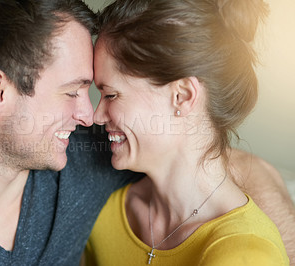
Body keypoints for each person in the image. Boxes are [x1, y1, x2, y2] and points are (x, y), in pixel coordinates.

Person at [0, 0, 293, 265]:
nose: (89, 116)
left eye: (104, 93)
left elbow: (222, 163)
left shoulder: (83, 152)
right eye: (72, 92)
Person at [85, 0, 291, 265]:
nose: (96, 116)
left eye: (111, 95)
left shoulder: (248, 252)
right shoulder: (103, 213)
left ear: (182, 96)